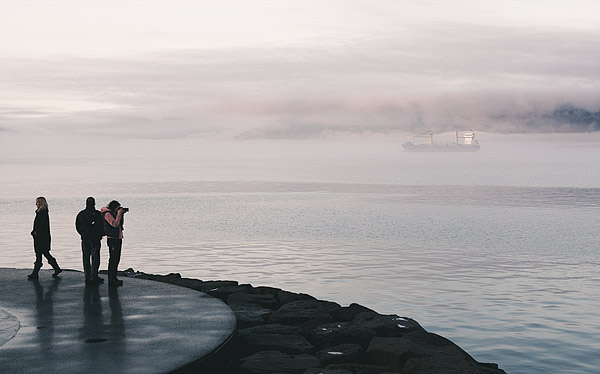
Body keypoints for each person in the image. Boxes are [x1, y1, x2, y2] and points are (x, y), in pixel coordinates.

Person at [28, 196, 62, 280]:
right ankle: (56, 268)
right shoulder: (42, 212)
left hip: (41, 237)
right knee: (44, 253)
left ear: (41, 203)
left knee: (39, 254)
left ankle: (35, 273)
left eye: (37, 202)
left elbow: (41, 226)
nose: (36, 204)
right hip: (43, 237)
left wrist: (35, 232)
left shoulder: (42, 212)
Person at [76, 197, 105, 284]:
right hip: (95, 238)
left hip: (85, 238)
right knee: (95, 257)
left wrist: (82, 234)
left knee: (86, 257)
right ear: (94, 204)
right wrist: (101, 234)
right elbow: (102, 226)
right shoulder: (98, 214)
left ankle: (87, 275)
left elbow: (77, 226)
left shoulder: (81, 214)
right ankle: (94, 275)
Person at [101, 200, 127, 287]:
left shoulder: (113, 214)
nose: (119, 209)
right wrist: (119, 214)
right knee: (113, 259)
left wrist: (121, 215)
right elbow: (115, 224)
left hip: (117, 238)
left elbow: (120, 224)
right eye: (118, 208)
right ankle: (111, 279)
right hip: (112, 239)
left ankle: (114, 278)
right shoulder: (108, 214)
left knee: (117, 259)